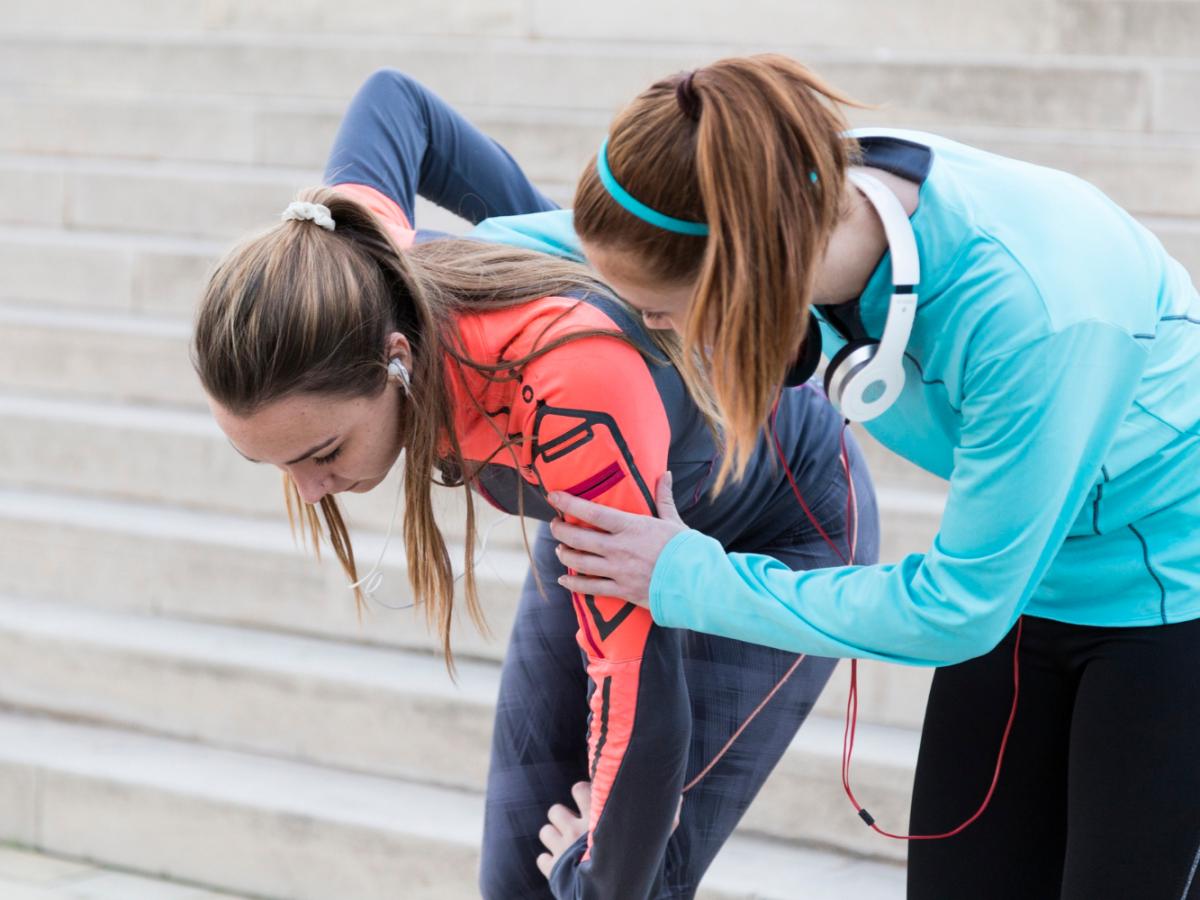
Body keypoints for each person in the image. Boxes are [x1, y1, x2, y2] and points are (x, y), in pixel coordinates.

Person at [191, 69, 880, 900]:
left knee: (627, 880)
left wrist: (599, 877)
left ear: (395, 359)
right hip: (607, 520)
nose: (310, 490)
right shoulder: (364, 264)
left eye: (321, 451)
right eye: (275, 465)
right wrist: (562, 259)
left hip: (779, 529)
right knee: (518, 879)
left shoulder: (570, 387)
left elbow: (639, 688)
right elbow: (393, 101)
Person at [527, 54, 1200, 899]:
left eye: (659, 310)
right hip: (1029, 589)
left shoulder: (1034, 313)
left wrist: (687, 577)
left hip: (1172, 603)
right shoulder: (780, 190)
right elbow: (543, 240)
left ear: (745, 270)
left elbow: (956, 609)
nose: (649, 326)